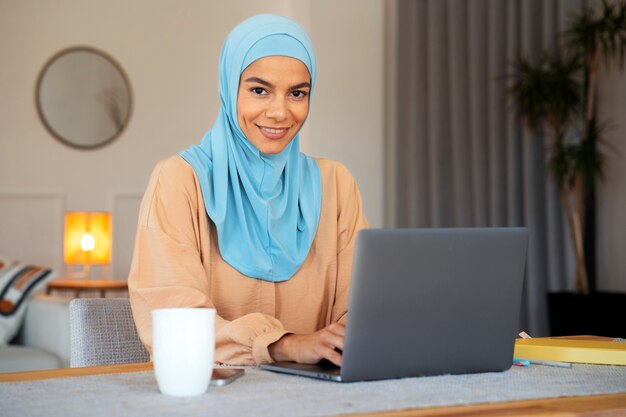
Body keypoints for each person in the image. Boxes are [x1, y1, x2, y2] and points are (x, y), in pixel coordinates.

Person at [128, 14, 369, 367]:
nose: (279, 112)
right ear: (229, 88)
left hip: (319, 397)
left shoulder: (336, 184)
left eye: (297, 93)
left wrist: (346, 340)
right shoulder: (181, 181)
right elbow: (174, 321)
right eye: (259, 90)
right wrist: (282, 345)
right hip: (212, 396)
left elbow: (361, 308)